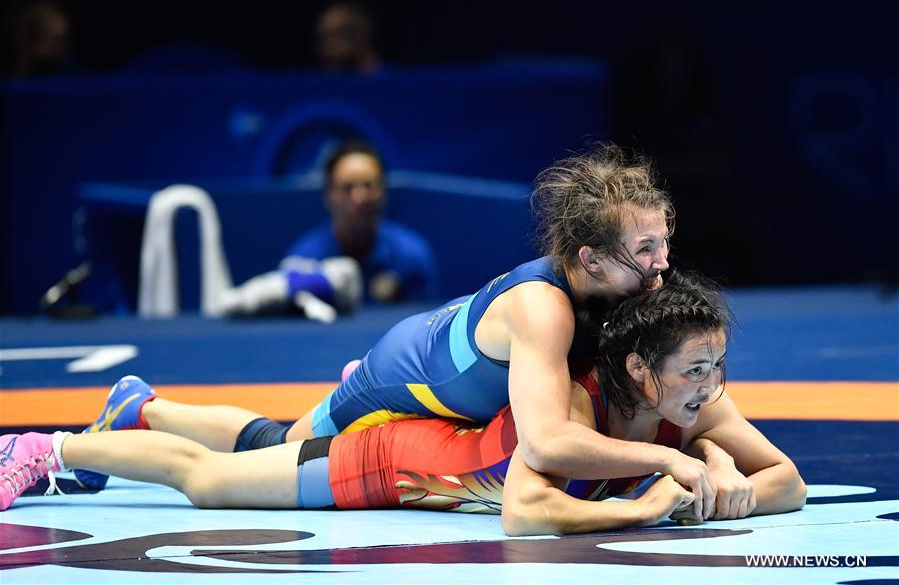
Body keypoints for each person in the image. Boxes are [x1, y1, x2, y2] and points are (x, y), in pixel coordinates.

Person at [77, 144, 722, 514]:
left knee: (278, 443)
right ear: (591, 259)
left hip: (446, 385)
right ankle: (147, 410)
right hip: (399, 377)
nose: (662, 263)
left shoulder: (617, 288)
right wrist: (670, 458)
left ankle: (142, 410)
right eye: (645, 249)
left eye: (663, 242)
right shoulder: (544, 309)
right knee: (277, 444)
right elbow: (547, 443)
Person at [0, 273, 807, 534]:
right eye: (695, 368)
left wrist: (723, 483)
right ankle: (48, 449)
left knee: (268, 436)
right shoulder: (569, 401)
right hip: (388, 461)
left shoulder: (694, 407)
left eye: (717, 367)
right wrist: (646, 504)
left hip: (431, 445)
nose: (711, 385)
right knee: (209, 481)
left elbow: (789, 481)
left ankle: (141, 406)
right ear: (638, 366)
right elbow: (523, 509)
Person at [282, 139, 439, 303]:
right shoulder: (304, 262)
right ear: (328, 195)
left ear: (384, 192)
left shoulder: (412, 256)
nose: (359, 197)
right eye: (347, 187)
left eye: (368, 185)